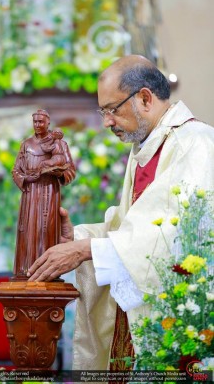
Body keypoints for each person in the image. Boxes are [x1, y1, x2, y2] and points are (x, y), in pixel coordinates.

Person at [26, 55, 214, 370]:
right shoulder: (147, 146)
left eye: (112, 110)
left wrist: (85, 250)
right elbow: (132, 225)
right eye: (103, 111)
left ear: (144, 98)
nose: (107, 122)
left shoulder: (194, 144)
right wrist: (80, 238)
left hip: (181, 313)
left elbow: (176, 235)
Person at [12, 110, 76, 279]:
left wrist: (57, 173)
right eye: (35, 122)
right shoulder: (26, 144)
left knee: (46, 229)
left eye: (41, 122)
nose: (38, 125)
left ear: (48, 123)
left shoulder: (59, 144)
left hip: (49, 192)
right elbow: (16, 170)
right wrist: (26, 178)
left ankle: (47, 272)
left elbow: (70, 171)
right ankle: (25, 270)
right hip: (30, 193)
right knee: (28, 229)